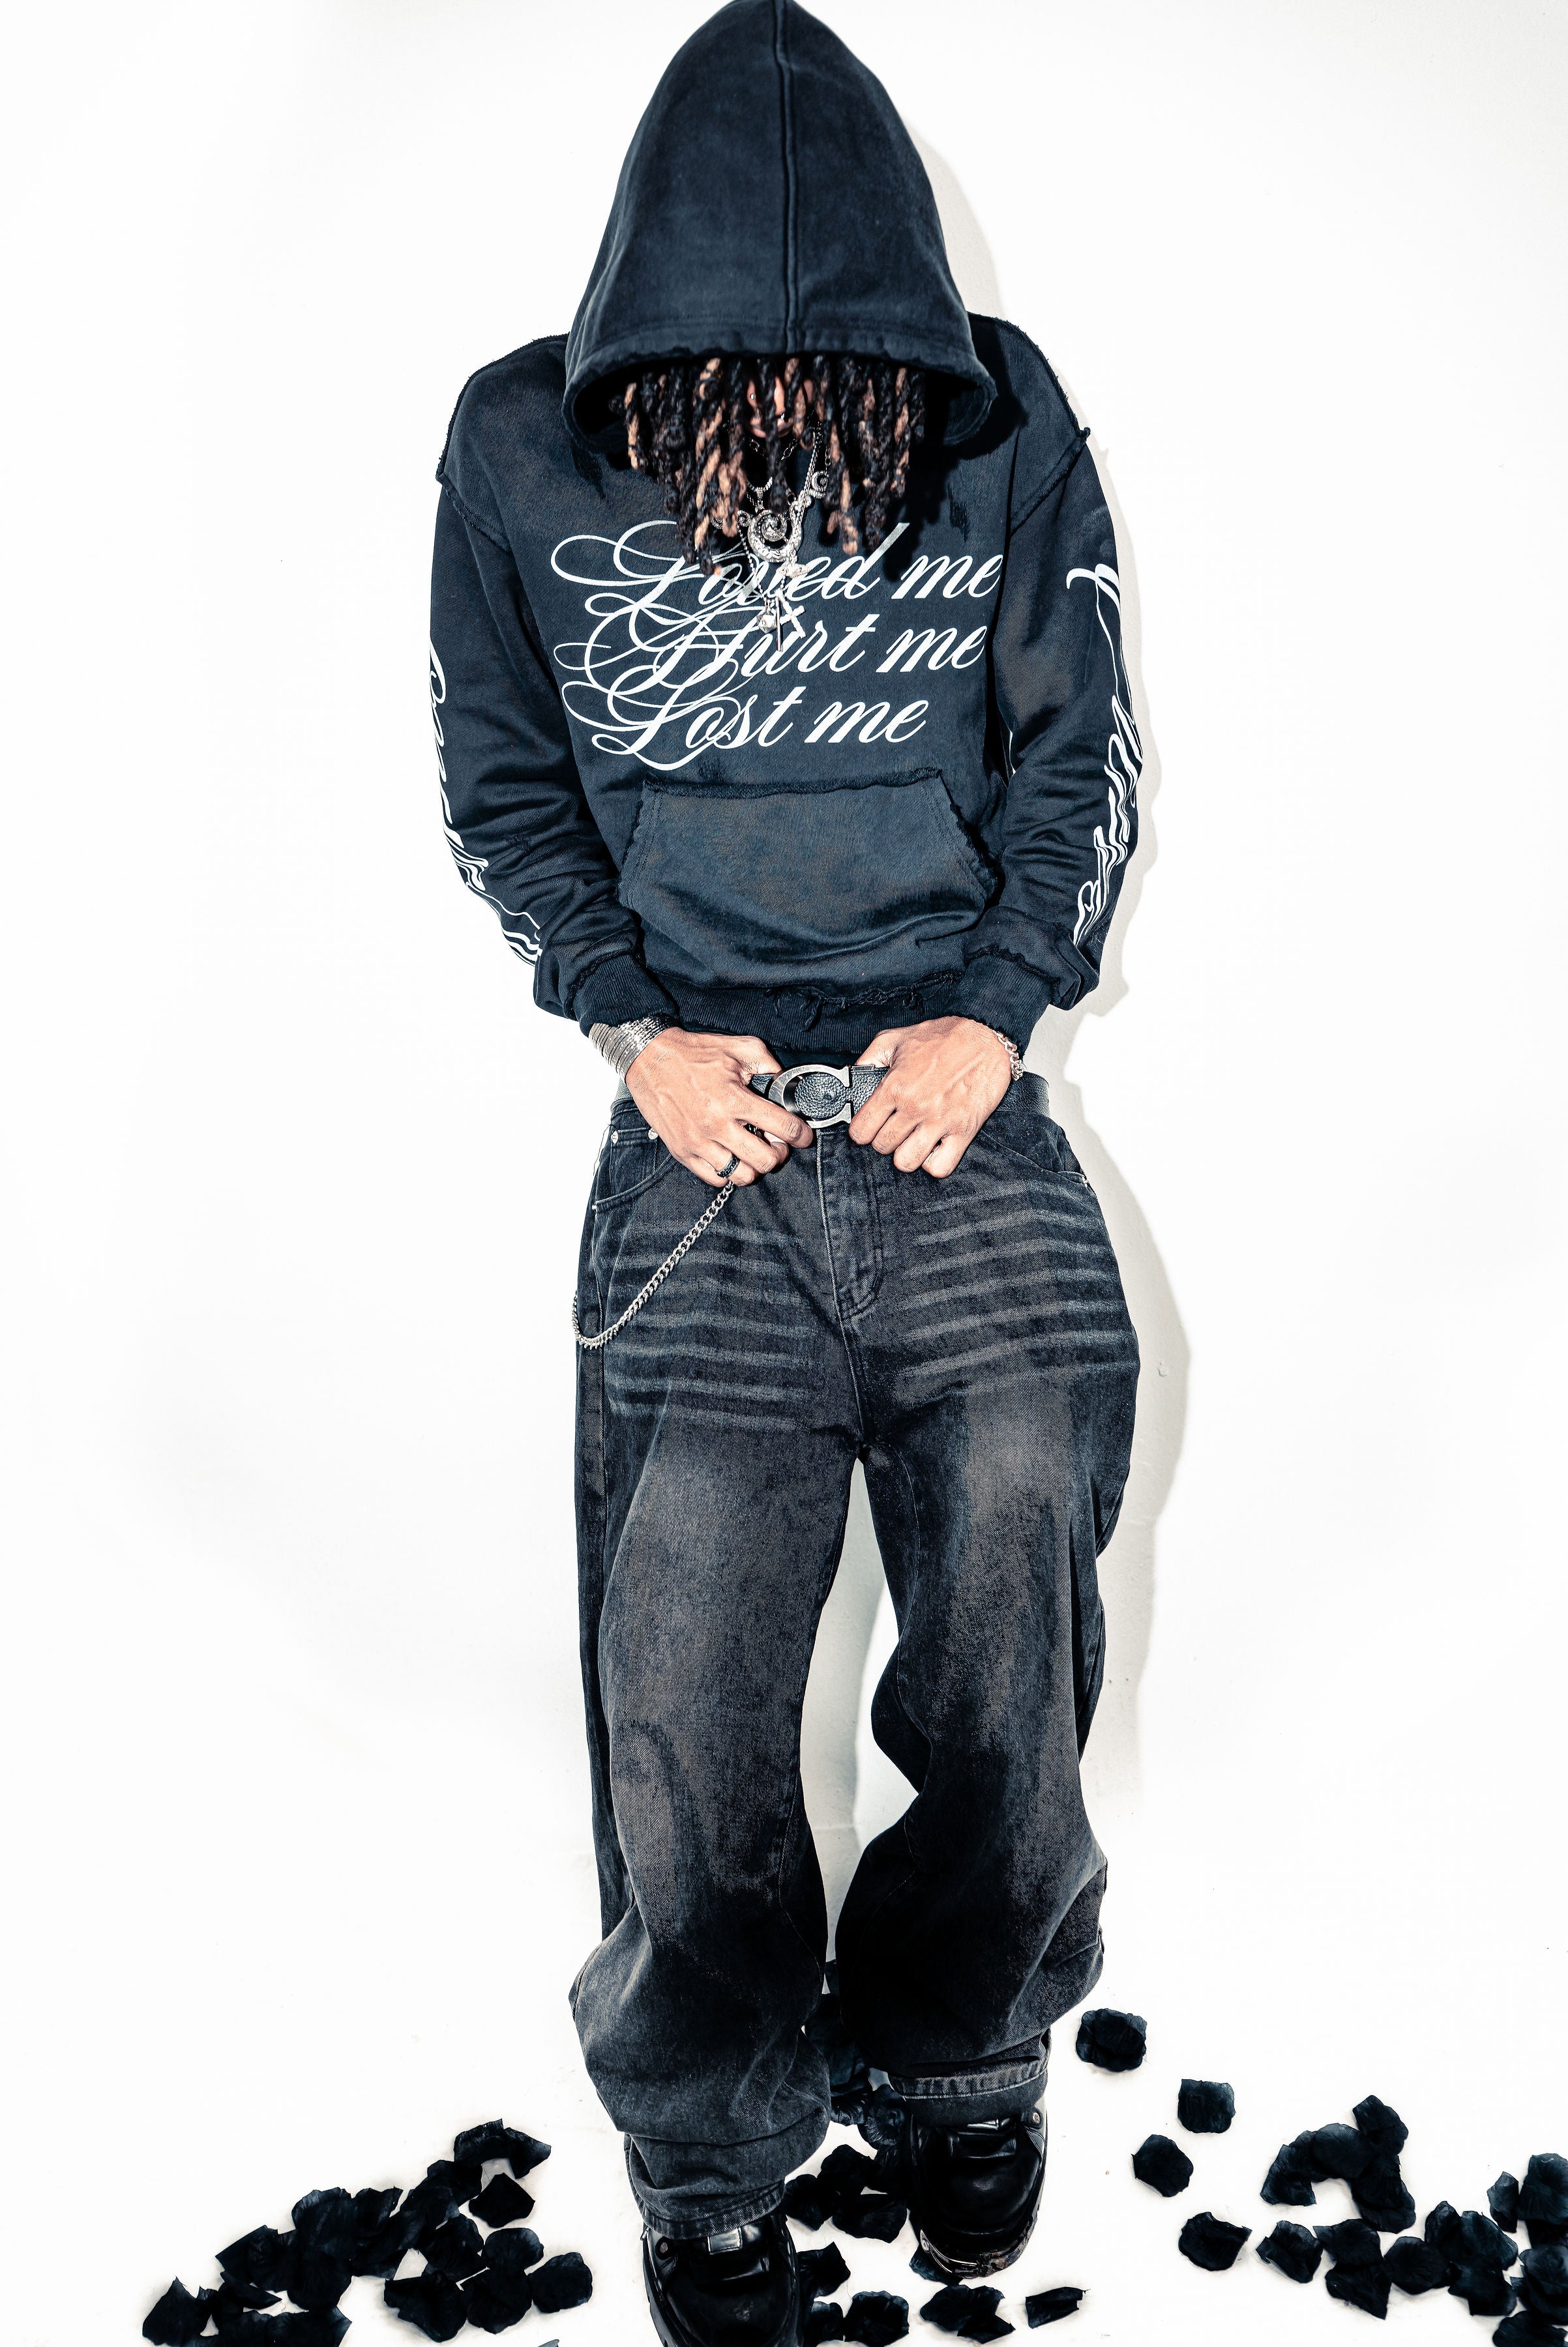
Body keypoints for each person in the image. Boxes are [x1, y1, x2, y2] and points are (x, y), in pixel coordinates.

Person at [429, 5, 1141, 2340]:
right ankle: (716, 2144)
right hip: (700, 1140)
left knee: (1015, 1615)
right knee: (691, 1683)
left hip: (960, 1109)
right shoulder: (520, 442)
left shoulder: (996, 414)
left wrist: (1000, 1006)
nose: (788, 416)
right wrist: (633, 1034)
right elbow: (504, 782)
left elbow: (1081, 744)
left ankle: (962, 2057)